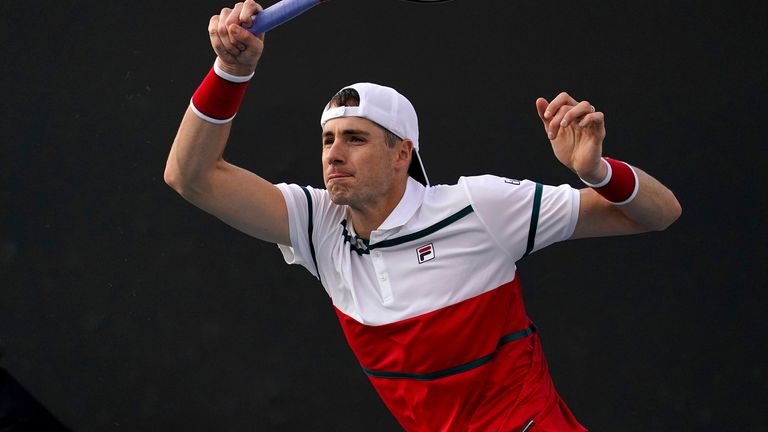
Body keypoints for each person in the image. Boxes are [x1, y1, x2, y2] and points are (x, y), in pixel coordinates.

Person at [164, 1, 682, 430]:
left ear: (400, 155)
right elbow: (192, 177)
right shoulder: (319, 225)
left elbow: (659, 214)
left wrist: (595, 171)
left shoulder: (479, 207)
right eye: (328, 139)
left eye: (355, 139)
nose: (333, 154)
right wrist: (232, 70)